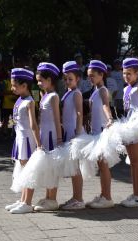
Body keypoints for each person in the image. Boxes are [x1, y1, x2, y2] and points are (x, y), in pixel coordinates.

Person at [5, 68, 42, 214]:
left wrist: (38, 144)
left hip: (27, 139)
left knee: (29, 171)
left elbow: (33, 125)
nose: (12, 88)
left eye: (14, 85)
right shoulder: (20, 99)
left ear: (24, 85)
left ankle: (27, 202)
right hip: (20, 138)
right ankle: (22, 200)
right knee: (22, 169)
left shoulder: (30, 101)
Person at [85, 60, 115, 209]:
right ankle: (103, 195)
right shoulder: (95, 90)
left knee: (104, 166)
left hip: (102, 131)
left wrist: (110, 118)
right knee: (101, 165)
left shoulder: (102, 90)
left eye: (92, 76)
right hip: (95, 131)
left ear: (101, 75)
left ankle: (107, 197)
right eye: (88, 76)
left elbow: (105, 105)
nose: (90, 78)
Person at [32, 62, 62, 211]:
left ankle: (53, 199)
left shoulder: (54, 97)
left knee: (52, 167)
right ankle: (47, 196)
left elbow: (57, 119)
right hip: (44, 134)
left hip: (51, 135)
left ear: (50, 80)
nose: (38, 83)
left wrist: (59, 138)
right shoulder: (45, 95)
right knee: (47, 167)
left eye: (40, 80)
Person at [120, 58, 138, 208]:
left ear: (137, 73)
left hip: (137, 127)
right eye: (124, 73)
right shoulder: (126, 88)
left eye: (129, 73)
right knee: (132, 162)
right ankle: (135, 193)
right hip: (128, 127)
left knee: (137, 162)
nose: (126, 76)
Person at [58, 61, 86, 210]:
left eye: (71, 79)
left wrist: (77, 133)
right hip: (69, 130)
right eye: (66, 79)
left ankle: (79, 199)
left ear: (77, 79)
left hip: (74, 132)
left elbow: (79, 113)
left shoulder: (76, 93)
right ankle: (76, 197)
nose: (68, 81)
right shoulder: (68, 92)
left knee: (75, 168)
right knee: (73, 167)